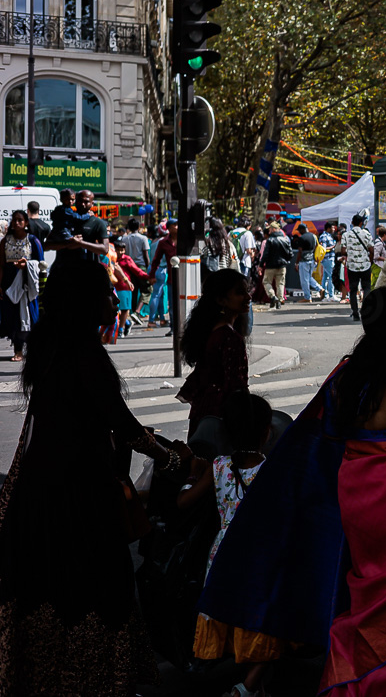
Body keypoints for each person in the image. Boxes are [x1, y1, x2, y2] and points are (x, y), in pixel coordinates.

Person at [197, 287, 386, 695]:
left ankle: (354, 676)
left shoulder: (345, 380)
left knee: (367, 590)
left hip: (357, 502)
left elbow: (321, 440)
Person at [0, 259, 191, 694]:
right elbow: (122, 424)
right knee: (95, 590)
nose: (114, 300)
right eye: (106, 293)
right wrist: (172, 460)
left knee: (51, 589)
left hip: (42, 492)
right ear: (85, 302)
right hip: (79, 496)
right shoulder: (83, 354)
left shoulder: (52, 347)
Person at [181, 392, 284, 697]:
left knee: (236, 619)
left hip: (223, 558)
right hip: (261, 558)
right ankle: (246, 688)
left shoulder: (219, 467)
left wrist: (192, 475)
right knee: (269, 621)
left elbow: (183, 502)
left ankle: (252, 686)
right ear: (267, 432)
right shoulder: (274, 471)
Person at [179, 269, 251, 437]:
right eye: (240, 293)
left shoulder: (211, 330)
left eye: (247, 291)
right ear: (221, 300)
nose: (248, 297)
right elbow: (236, 384)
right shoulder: (228, 337)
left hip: (205, 412)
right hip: (223, 415)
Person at [0, 209, 43, 360]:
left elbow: (41, 263)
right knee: (12, 317)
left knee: (29, 315)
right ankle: (17, 349)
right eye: (14, 220)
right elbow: (1, 265)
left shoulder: (32, 240)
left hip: (27, 283)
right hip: (9, 283)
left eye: (20, 220)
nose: (17, 223)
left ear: (26, 223)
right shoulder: (5, 241)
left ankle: (33, 348)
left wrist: (27, 265)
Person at [45, 189, 110, 265]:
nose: (82, 204)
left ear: (92, 204)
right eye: (80, 201)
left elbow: (104, 249)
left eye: (86, 202)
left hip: (88, 268)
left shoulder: (98, 223)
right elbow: (46, 246)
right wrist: (67, 244)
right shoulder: (65, 218)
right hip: (63, 268)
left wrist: (81, 243)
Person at [339, 213, 374, 321]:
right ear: (361, 223)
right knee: (366, 288)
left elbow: (343, 251)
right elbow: (371, 250)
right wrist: (370, 261)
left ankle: (355, 313)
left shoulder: (346, 235)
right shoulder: (366, 234)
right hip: (365, 265)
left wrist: (350, 253)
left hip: (352, 266)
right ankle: (365, 310)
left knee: (353, 290)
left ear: (352, 223)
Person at [113, 238, 148, 338]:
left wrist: (147, 277)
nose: (120, 252)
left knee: (124, 309)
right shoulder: (111, 258)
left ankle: (120, 330)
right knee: (115, 310)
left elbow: (136, 270)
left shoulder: (127, 259)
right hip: (113, 287)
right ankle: (127, 323)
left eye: (122, 250)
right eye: (118, 250)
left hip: (125, 287)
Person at [148, 220, 178, 328]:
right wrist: (152, 275)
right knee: (171, 303)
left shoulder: (186, 240)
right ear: (168, 228)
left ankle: (161, 319)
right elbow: (156, 260)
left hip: (185, 277)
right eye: (174, 225)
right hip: (169, 277)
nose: (177, 227)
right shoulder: (163, 242)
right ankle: (173, 327)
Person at [260, 221, 293, 309]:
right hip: (282, 265)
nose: (269, 231)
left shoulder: (270, 240)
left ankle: (273, 296)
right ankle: (280, 299)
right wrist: (286, 261)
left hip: (270, 266)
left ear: (274, 229)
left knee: (266, 282)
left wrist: (261, 265)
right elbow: (290, 254)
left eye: (270, 229)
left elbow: (265, 254)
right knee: (280, 283)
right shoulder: (285, 239)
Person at [292, 223, 322, 301]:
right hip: (312, 259)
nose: (299, 232)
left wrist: (296, 263)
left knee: (304, 280)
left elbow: (300, 251)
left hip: (304, 261)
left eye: (299, 230)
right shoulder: (313, 236)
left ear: (302, 229)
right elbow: (316, 247)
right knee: (308, 278)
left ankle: (307, 297)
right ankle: (320, 289)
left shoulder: (302, 238)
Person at [317, 221, 337, 301]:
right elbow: (323, 248)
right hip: (328, 259)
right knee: (331, 277)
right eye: (332, 227)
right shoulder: (324, 236)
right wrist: (333, 247)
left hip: (328, 259)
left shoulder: (328, 236)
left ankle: (325, 296)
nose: (334, 229)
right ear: (328, 228)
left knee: (325, 278)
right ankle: (331, 295)